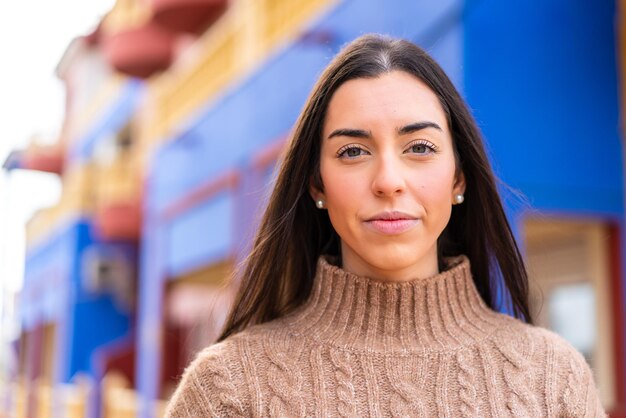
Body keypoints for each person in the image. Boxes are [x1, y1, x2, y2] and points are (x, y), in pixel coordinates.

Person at [166, 34, 605, 417]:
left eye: (419, 146)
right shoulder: (226, 389)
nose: (389, 182)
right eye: (353, 151)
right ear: (317, 183)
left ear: (459, 176)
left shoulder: (552, 376)